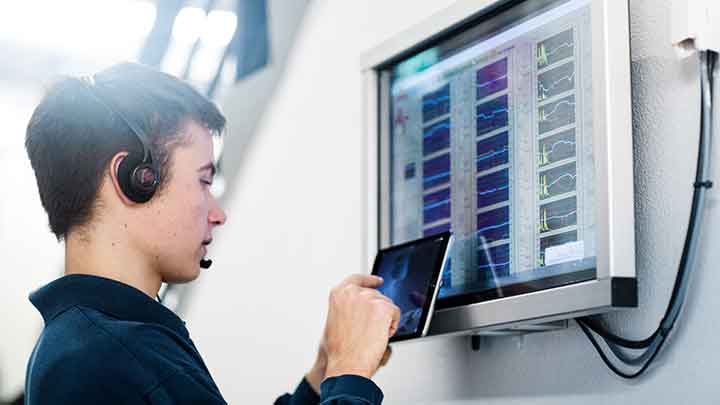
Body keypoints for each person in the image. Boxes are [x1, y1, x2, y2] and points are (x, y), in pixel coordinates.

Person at [23, 62, 401, 404]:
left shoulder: (89, 342)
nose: (217, 214)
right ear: (135, 178)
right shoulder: (110, 357)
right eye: (204, 181)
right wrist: (349, 375)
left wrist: (323, 375)